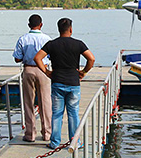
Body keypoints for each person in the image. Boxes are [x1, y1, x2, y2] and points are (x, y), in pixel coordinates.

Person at [34, 17, 95, 150]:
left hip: (57, 82)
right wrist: (84, 72)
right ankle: (75, 142)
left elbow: (37, 58)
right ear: (71, 29)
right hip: (73, 83)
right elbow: (91, 58)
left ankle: (55, 142)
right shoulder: (78, 44)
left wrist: (46, 72)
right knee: (73, 113)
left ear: (59, 29)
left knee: (57, 113)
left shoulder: (52, 44)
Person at [13, 14, 52, 142]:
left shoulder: (23, 39)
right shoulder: (47, 39)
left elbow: (17, 58)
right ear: (41, 25)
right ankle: (47, 133)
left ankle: (30, 134)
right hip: (44, 69)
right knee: (45, 102)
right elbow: (52, 56)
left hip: (28, 69)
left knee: (28, 102)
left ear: (29, 25)